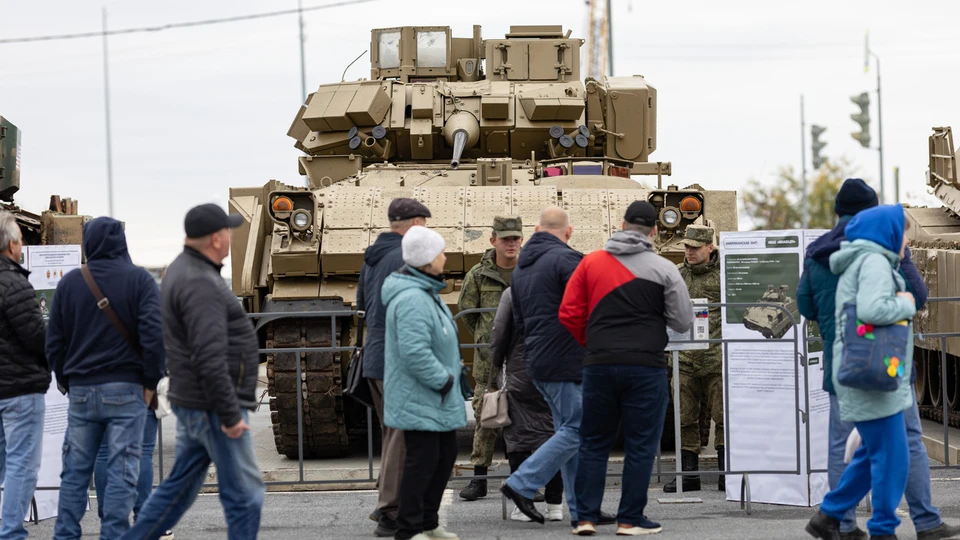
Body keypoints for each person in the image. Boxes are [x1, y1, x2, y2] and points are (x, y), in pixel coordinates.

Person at [798, 179, 960, 540]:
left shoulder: (819, 252)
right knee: (901, 447)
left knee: (858, 449)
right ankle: (910, 521)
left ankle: (837, 520)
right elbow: (912, 298)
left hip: (847, 362)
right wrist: (899, 297)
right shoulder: (877, 256)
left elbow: (806, 305)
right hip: (878, 365)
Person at [122, 203, 264, 540]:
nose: (230, 238)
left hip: (197, 401)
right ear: (217, 238)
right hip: (212, 407)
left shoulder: (184, 270)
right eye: (228, 232)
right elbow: (209, 355)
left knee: (177, 491)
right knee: (246, 496)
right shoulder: (200, 281)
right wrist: (230, 415)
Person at [559, 201, 693, 536]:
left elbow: (569, 313)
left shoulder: (590, 264)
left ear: (621, 224)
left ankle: (585, 518)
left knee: (593, 442)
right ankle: (630, 519)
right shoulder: (664, 268)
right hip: (646, 367)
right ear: (655, 230)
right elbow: (683, 320)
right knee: (641, 444)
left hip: (599, 364)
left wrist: (592, 342)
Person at [46, 217, 165, 540]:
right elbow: (155, 338)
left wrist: (68, 382)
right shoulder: (140, 281)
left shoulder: (70, 282)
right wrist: (149, 386)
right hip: (127, 390)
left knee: (75, 472)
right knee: (123, 470)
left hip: (82, 392)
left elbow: (54, 342)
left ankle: (66, 534)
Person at [804, 204, 918, 540]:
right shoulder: (874, 263)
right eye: (904, 232)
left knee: (873, 454)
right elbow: (872, 309)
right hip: (873, 374)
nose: (907, 240)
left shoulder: (863, 259)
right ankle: (882, 528)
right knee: (893, 457)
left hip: (865, 371)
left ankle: (829, 516)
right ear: (889, 233)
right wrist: (907, 302)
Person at [499, 207, 614, 527]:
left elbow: (519, 322)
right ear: (569, 231)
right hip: (570, 361)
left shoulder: (521, 268)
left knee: (570, 432)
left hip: (538, 361)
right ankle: (521, 483)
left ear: (535, 230)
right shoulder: (569, 261)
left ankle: (583, 510)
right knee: (581, 429)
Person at [381, 226, 466, 540]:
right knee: (423, 462)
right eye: (441, 252)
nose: (445, 257)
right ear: (428, 259)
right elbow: (414, 351)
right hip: (422, 394)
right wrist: (443, 380)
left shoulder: (426, 292)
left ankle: (428, 523)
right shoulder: (413, 299)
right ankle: (409, 527)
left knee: (442, 459)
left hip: (433, 396)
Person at [356, 197, 431, 537]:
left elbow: (361, 304)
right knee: (402, 438)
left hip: (375, 358)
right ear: (414, 224)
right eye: (424, 225)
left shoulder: (372, 256)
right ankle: (390, 512)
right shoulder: (404, 256)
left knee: (392, 435)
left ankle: (390, 504)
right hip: (397, 360)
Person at [457, 215, 523, 502]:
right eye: (505, 238)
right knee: (486, 418)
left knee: (525, 420)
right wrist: (488, 339)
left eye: (515, 238)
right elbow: (468, 314)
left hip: (523, 358)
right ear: (493, 239)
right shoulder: (478, 275)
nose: (511, 243)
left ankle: (522, 480)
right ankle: (479, 479)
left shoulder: (529, 271)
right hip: (489, 362)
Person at [489, 287, 564, 522]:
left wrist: (495, 367)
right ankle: (555, 506)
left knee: (518, 439)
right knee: (554, 438)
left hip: (520, 375)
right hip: (555, 374)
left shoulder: (513, 293)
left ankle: (523, 504)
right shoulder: (562, 288)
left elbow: (499, 334)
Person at [664, 224, 724, 493]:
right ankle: (688, 476)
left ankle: (726, 474)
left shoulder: (725, 276)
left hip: (718, 359)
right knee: (684, 418)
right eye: (686, 246)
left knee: (724, 418)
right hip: (684, 360)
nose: (688, 251)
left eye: (695, 247)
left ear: (709, 247)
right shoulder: (677, 276)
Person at [0, 210, 49, 540]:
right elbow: (36, 337)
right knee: (22, 465)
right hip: (19, 389)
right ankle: (10, 534)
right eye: (19, 238)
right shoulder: (14, 283)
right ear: (11, 244)